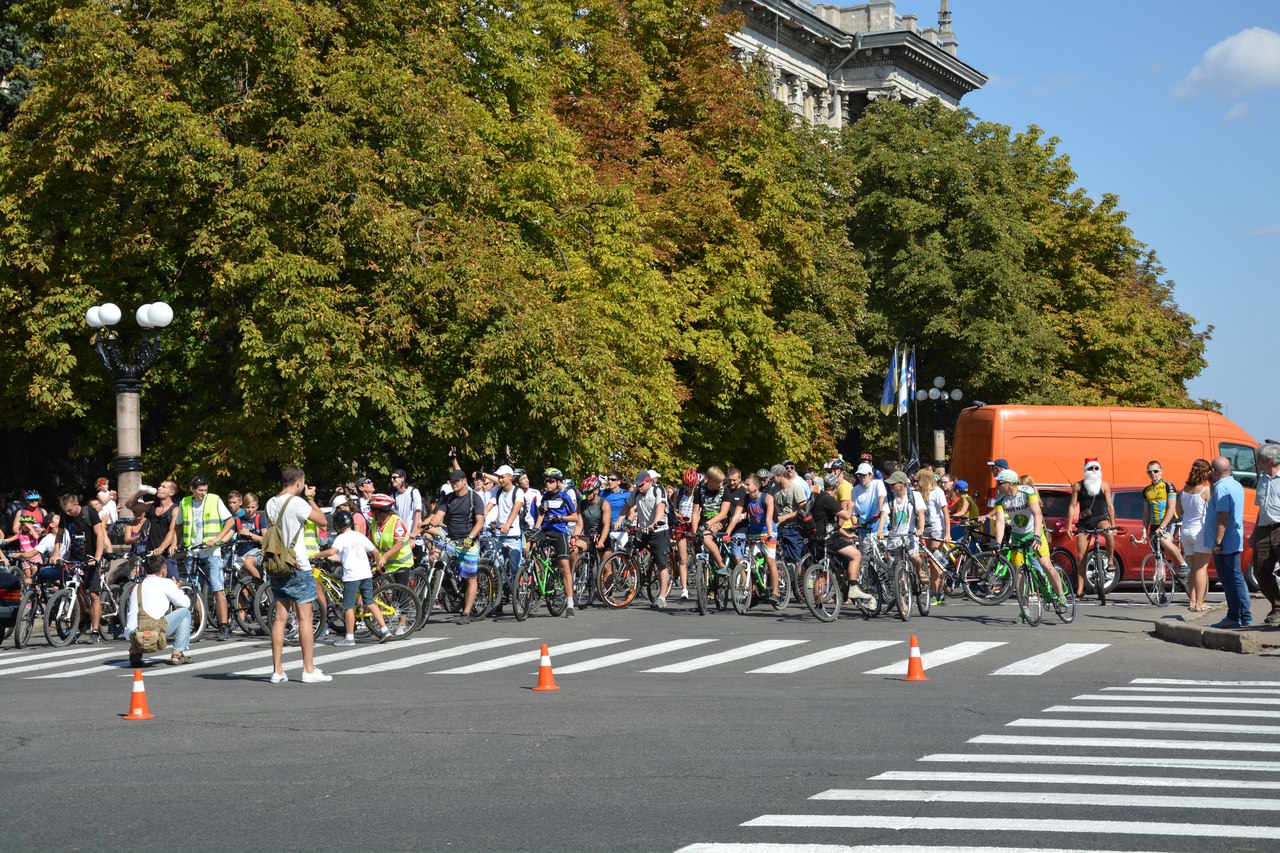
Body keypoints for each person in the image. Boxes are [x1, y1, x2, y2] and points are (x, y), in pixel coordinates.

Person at [265, 467, 332, 683]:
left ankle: (277, 671)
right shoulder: (298, 503)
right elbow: (322, 521)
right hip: (297, 564)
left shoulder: (270, 503)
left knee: (279, 617)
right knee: (305, 616)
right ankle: (308, 669)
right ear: (299, 481)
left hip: (276, 564)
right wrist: (311, 499)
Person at [312, 510, 392, 646]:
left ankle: (349, 638)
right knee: (370, 602)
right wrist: (379, 563)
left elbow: (332, 552)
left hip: (352, 575)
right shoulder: (359, 536)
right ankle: (385, 630)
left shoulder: (341, 538)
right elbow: (375, 551)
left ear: (337, 525)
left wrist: (316, 555)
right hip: (365, 573)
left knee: (348, 606)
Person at [992, 469, 1067, 607]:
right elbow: (1000, 522)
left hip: (1034, 532)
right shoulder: (1000, 499)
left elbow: (1037, 514)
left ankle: (1061, 596)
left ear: (1009, 484)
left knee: (1046, 565)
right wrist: (998, 544)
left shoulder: (1027, 492)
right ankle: (1024, 608)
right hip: (1017, 536)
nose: (997, 486)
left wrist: (1037, 536)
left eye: (999, 483)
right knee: (1018, 573)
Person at [174, 475, 236, 641]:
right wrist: (174, 543)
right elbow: (178, 525)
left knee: (217, 587)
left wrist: (218, 538)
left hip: (211, 551)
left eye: (205, 490)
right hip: (192, 551)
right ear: (192, 489)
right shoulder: (185, 502)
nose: (203, 493)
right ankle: (198, 624)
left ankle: (224, 625)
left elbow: (230, 522)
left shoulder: (214, 499)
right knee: (193, 588)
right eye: (200, 490)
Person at [425, 470, 486, 623]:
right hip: (451, 539)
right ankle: (450, 587)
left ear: (464, 481)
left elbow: (480, 522)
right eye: (451, 481)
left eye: (456, 481)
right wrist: (428, 523)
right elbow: (438, 516)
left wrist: (470, 537)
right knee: (434, 559)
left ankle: (466, 613)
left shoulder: (474, 498)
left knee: (470, 577)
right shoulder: (449, 498)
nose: (454, 484)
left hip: (469, 542)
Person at [124, 554, 195, 667]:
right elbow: (185, 603)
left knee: (141, 620)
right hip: (154, 634)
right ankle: (177, 654)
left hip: (134, 636)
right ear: (163, 570)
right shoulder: (166, 583)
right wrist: (177, 589)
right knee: (184, 613)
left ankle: (135, 652)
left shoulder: (138, 586)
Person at [1206, 455, 1250, 628]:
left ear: (1215, 471)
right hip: (1233, 537)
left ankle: (1234, 616)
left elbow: (1222, 516)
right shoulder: (1235, 484)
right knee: (1236, 577)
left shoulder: (1222, 488)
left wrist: (1218, 541)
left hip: (1225, 541)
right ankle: (1245, 614)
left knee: (1229, 578)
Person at [58, 492, 108, 641]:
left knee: (93, 595)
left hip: (91, 557)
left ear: (76, 504)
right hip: (74, 558)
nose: (68, 513)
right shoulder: (65, 515)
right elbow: (59, 536)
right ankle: (77, 626)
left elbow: (100, 534)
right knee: (74, 591)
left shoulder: (89, 512)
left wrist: (97, 557)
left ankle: (95, 629)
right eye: (65, 510)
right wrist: (56, 554)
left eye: (70, 510)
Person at [1067, 458, 1116, 599]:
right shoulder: (1078, 486)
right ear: (1085, 470)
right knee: (1081, 555)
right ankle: (1080, 590)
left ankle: (1110, 561)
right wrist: (1069, 525)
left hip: (1100, 518)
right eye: (1090, 468)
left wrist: (1112, 524)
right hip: (1084, 522)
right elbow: (1072, 506)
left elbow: (1110, 506)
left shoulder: (1104, 485)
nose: (1093, 471)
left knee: (1108, 533)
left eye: (1096, 468)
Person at [534, 468, 580, 617]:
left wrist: (561, 518)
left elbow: (574, 517)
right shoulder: (545, 496)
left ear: (558, 482)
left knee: (565, 566)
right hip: (546, 530)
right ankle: (534, 578)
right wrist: (535, 528)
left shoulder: (564, 496)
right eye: (546, 481)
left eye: (551, 481)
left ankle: (570, 603)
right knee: (529, 546)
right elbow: (541, 515)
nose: (548, 484)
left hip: (560, 532)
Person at [622, 470, 671, 607]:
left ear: (649, 482)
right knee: (629, 550)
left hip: (659, 530)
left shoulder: (658, 491)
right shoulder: (637, 492)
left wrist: (654, 523)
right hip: (643, 530)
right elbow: (627, 507)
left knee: (661, 563)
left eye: (641, 485)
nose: (639, 487)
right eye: (637, 485)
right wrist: (620, 521)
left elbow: (661, 508)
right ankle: (636, 578)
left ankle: (661, 597)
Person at [1137, 460, 1189, 586]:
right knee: (1158, 560)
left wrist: (1162, 527)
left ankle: (1183, 564)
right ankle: (1161, 593)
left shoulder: (1168, 485)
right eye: (1150, 472)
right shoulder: (1147, 490)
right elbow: (1146, 513)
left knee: (1165, 541)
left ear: (1161, 472)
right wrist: (1144, 530)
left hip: (1169, 521)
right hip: (1154, 525)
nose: (1153, 474)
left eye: (1156, 471)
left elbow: (1171, 508)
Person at [877, 471, 926, 593]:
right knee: (896, 575)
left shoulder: (914, 496)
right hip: (894, 536)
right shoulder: (889, 498)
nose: (890, 486)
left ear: (902, 484)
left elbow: (920, 512)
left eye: (893, 484)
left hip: (910, 535)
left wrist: (921, 528)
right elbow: (883, 515)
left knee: (914, 556)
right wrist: (880, 530)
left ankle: (919, 570)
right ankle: (902, 603)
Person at [486, 465, 526, 603]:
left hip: (513, 535)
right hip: (499, 535)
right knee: (497, 567)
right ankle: (498, 599)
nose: (500, 480)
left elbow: (515, 509)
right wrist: (480, 522)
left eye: (502, 477)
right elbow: (488, 508)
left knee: (515, 568)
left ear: (510, 477)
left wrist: (507, 524)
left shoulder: (518, 492)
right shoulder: (497, 492)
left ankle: (520, 593)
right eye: (498, 477)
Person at [1177, 459, 1212, 613]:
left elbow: (1180, 511)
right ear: (1205, 472)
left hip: (1186, 531)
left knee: (1192, 568)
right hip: (1200, 531)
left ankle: (1191, 601)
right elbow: (1211, 512)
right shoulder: (1205, 491)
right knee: (1201, 569)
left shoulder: (1184, 490)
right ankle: (1199, 603)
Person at [126, 480, 180, 577]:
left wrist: (161, 548)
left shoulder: (175, 509)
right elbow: (129, 505)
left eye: (163, 487)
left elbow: (172, 530)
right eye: (160, 486)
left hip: (166, 555)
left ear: (171, 492)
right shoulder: (152, 506)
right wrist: (140, 493)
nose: (159, 488)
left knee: (173, 582)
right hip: (151, 554)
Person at [741, 474, 781, 600]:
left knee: (770, 561)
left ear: (756, 486)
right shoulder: (746, 498)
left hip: (768, 532)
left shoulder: (767, 498)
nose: (745, 486)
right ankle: (754, 595)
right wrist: (728, 533)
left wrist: (769, 533)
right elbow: (737, 515)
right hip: (754, 533)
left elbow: (769, 518)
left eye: (748, 484)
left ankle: (776, 593)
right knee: (753, 564)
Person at [1252, 443, 1280, 625]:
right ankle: (1277, 606)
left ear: (1269, 460)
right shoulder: (1262, 480)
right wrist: (1254, 534)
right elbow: (1260, 509)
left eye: (1260, 461)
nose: (1258, 464)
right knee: (1260, 570)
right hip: (1263, 529)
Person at [916, 470, 951, 604]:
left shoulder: (937, 492)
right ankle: (935, 591)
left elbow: (945, 513)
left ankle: (938, 593)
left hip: (937, 529)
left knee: (935, 562)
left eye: (918, 480)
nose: (916, 483)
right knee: (931, 561)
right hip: (927, 529)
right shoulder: (921, 493)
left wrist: (947, 533)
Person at [691, 467, 731, 578]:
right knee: (699, 541)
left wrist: (707, 524)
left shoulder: (725, 491)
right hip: (704, 523)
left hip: (719, 522)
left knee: (706, 537)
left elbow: (723, 513)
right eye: (718, 482)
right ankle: (707, 580)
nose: (720, 484)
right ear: (710, 480)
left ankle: (721, 565)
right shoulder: (700, 490)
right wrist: (694, 532)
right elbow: (695, 513)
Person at [369, 493, 414, 587]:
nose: (371, 514)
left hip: (401, 563)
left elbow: (399, 544)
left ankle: (408, 601)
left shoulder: (397, 522)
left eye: (372, 512)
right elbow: (369, 541)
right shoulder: (374, 523)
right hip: (385, 564)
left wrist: (384, 557)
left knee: (400, 595)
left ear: (378, 513)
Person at [771, 464, 808, 569]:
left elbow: (803, 509)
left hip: (794, 528)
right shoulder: (774, 490)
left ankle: (800, 584)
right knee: (780, 559)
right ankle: (786, 583)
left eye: (774, 477)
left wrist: (785, 517)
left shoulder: (795, 488)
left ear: (781, 476)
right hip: (779, 528)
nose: (772, 480)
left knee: (797, 560)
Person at [670, 469, 699, 600]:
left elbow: (700, 510)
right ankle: (684, 589)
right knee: (682, 558)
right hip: (681, 524)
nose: (689, 489)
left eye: (691, 486)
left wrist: (694, 522)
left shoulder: (698, 493)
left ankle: (703, 581)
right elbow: (674, 509)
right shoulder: (679, 492)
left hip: (693, 523)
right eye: (687, 486)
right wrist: (678, 516)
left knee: (699, 553)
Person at [390, 469, 424, 539]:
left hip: (414, 536)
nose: (392, 480)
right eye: (391, 478)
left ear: (402, 479)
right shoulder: (392, 496)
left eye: (394, 478)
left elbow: (418, 514)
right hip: (401, 537)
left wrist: (414, 534)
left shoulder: (413, 492)